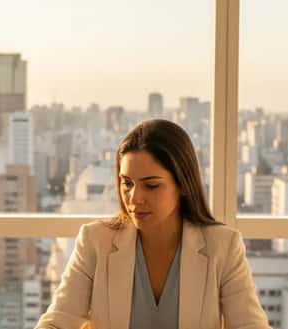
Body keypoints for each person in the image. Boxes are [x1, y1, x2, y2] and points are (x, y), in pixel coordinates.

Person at [36, 119, 270, 329]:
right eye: (127, 183)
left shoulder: (223, 247)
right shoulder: (96, 241)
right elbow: (58, 321)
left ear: (182, 185)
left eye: (151, 185)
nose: (134, 198)